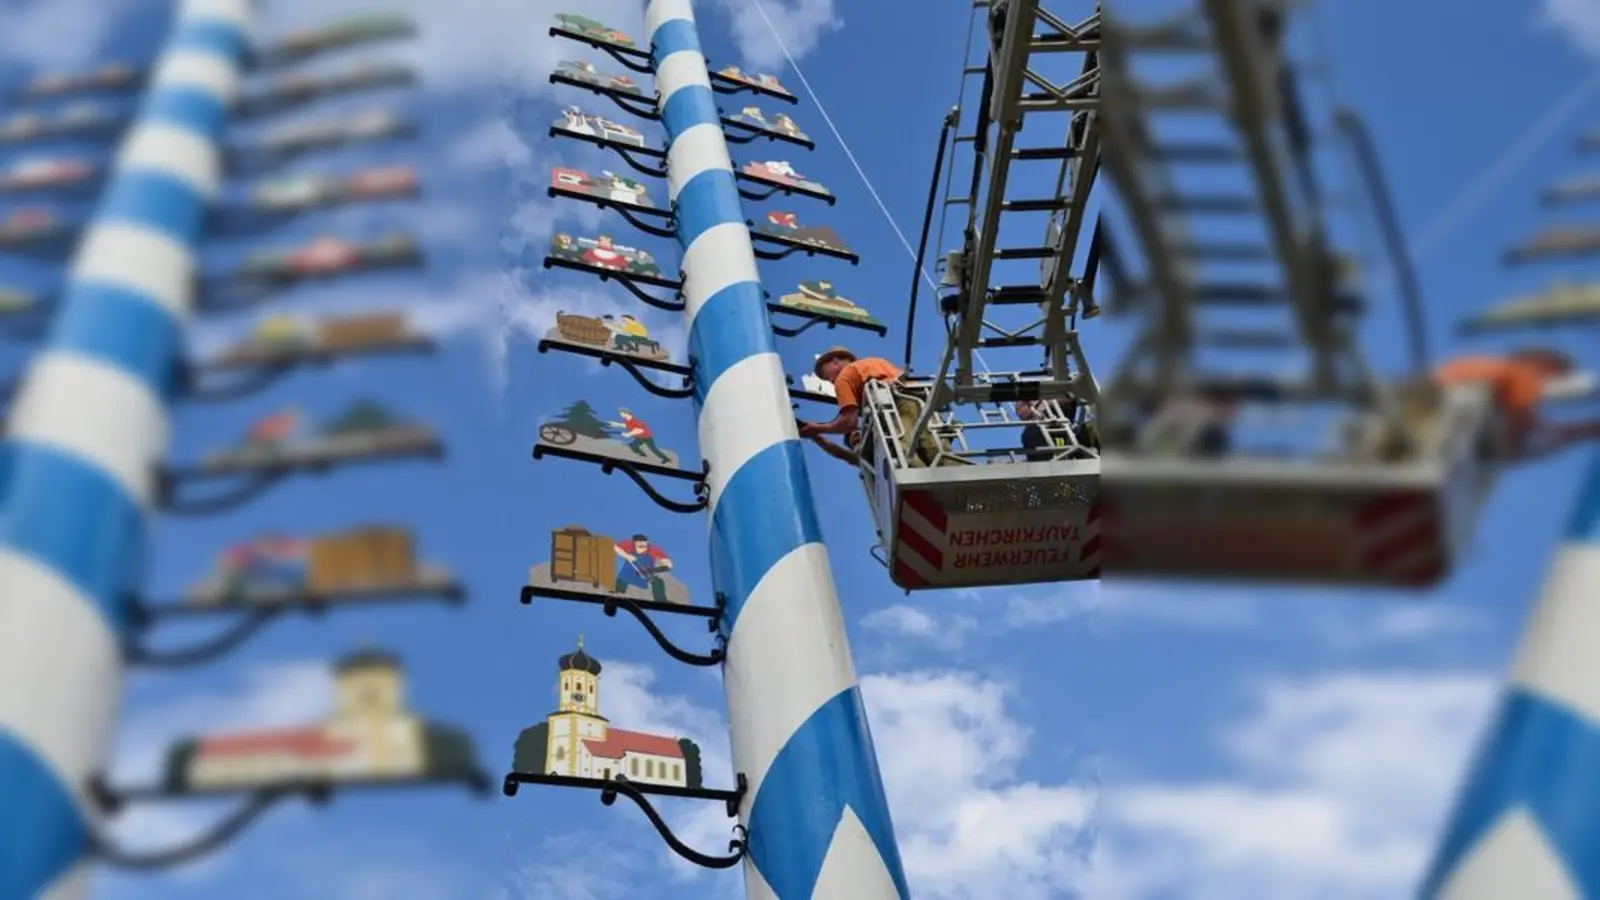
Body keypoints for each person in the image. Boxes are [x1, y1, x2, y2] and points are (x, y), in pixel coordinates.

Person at [1433, 346, 1600, 462]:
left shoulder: (1477, 364)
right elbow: (1522, 422)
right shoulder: (1521, 376)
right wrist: (1581, 431)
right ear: (1545, 365)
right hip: (1454, 433)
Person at [798, 347, 953, 468]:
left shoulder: (844, 378)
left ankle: (923, 492)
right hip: (920, 400)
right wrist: (816, 436)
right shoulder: (875, 362)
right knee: (937, 450)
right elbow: (841, 453)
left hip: (896, 407)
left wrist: (817, 429)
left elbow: (849, 422)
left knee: (902, 454)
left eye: (827, 376)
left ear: (834, 363)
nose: (831, 381)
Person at [612, 534, 672, 604]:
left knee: (658, 582)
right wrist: (627, 556)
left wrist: (652, 570)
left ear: (647, 543)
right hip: (628, 575)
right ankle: (619, 593)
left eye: (644, 543)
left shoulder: (653, 550)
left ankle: (661, 601)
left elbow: (669, 565)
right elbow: (616, 547)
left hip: (645, 575)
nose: (641, 545)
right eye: (639, 543)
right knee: (623, 576)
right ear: (634, 543)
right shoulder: (628, 544)